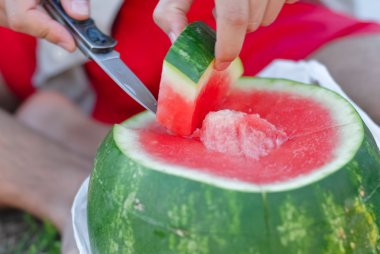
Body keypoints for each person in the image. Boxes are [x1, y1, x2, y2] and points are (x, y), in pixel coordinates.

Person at [0, 0, 379, 253]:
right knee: (96, 205)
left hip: (211, 23)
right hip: (22, 37)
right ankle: (73, 190)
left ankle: (79, 136)